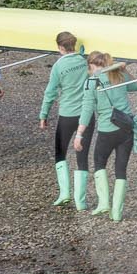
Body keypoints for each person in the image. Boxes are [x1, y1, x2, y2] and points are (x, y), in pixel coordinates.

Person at [75, 52, 137, 221]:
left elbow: (87, 110)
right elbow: (136, 87)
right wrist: (125, 70)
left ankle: (104, 203)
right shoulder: (118, 75)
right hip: (126, 127)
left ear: (91, 65)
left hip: (107, 129)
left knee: (99, 163)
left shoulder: (91, 82)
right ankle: (117, 212)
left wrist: (79, 134)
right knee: (121, 169)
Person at [40, 31, 96, 211]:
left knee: (60, 153)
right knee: (82, 156)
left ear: (60, 47)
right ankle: (80, 201)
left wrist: (44, 115)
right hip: (86, 116)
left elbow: (50, 92)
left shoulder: (58, 66)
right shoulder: (84, 60)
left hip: (67, 115)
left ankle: (64, 194)